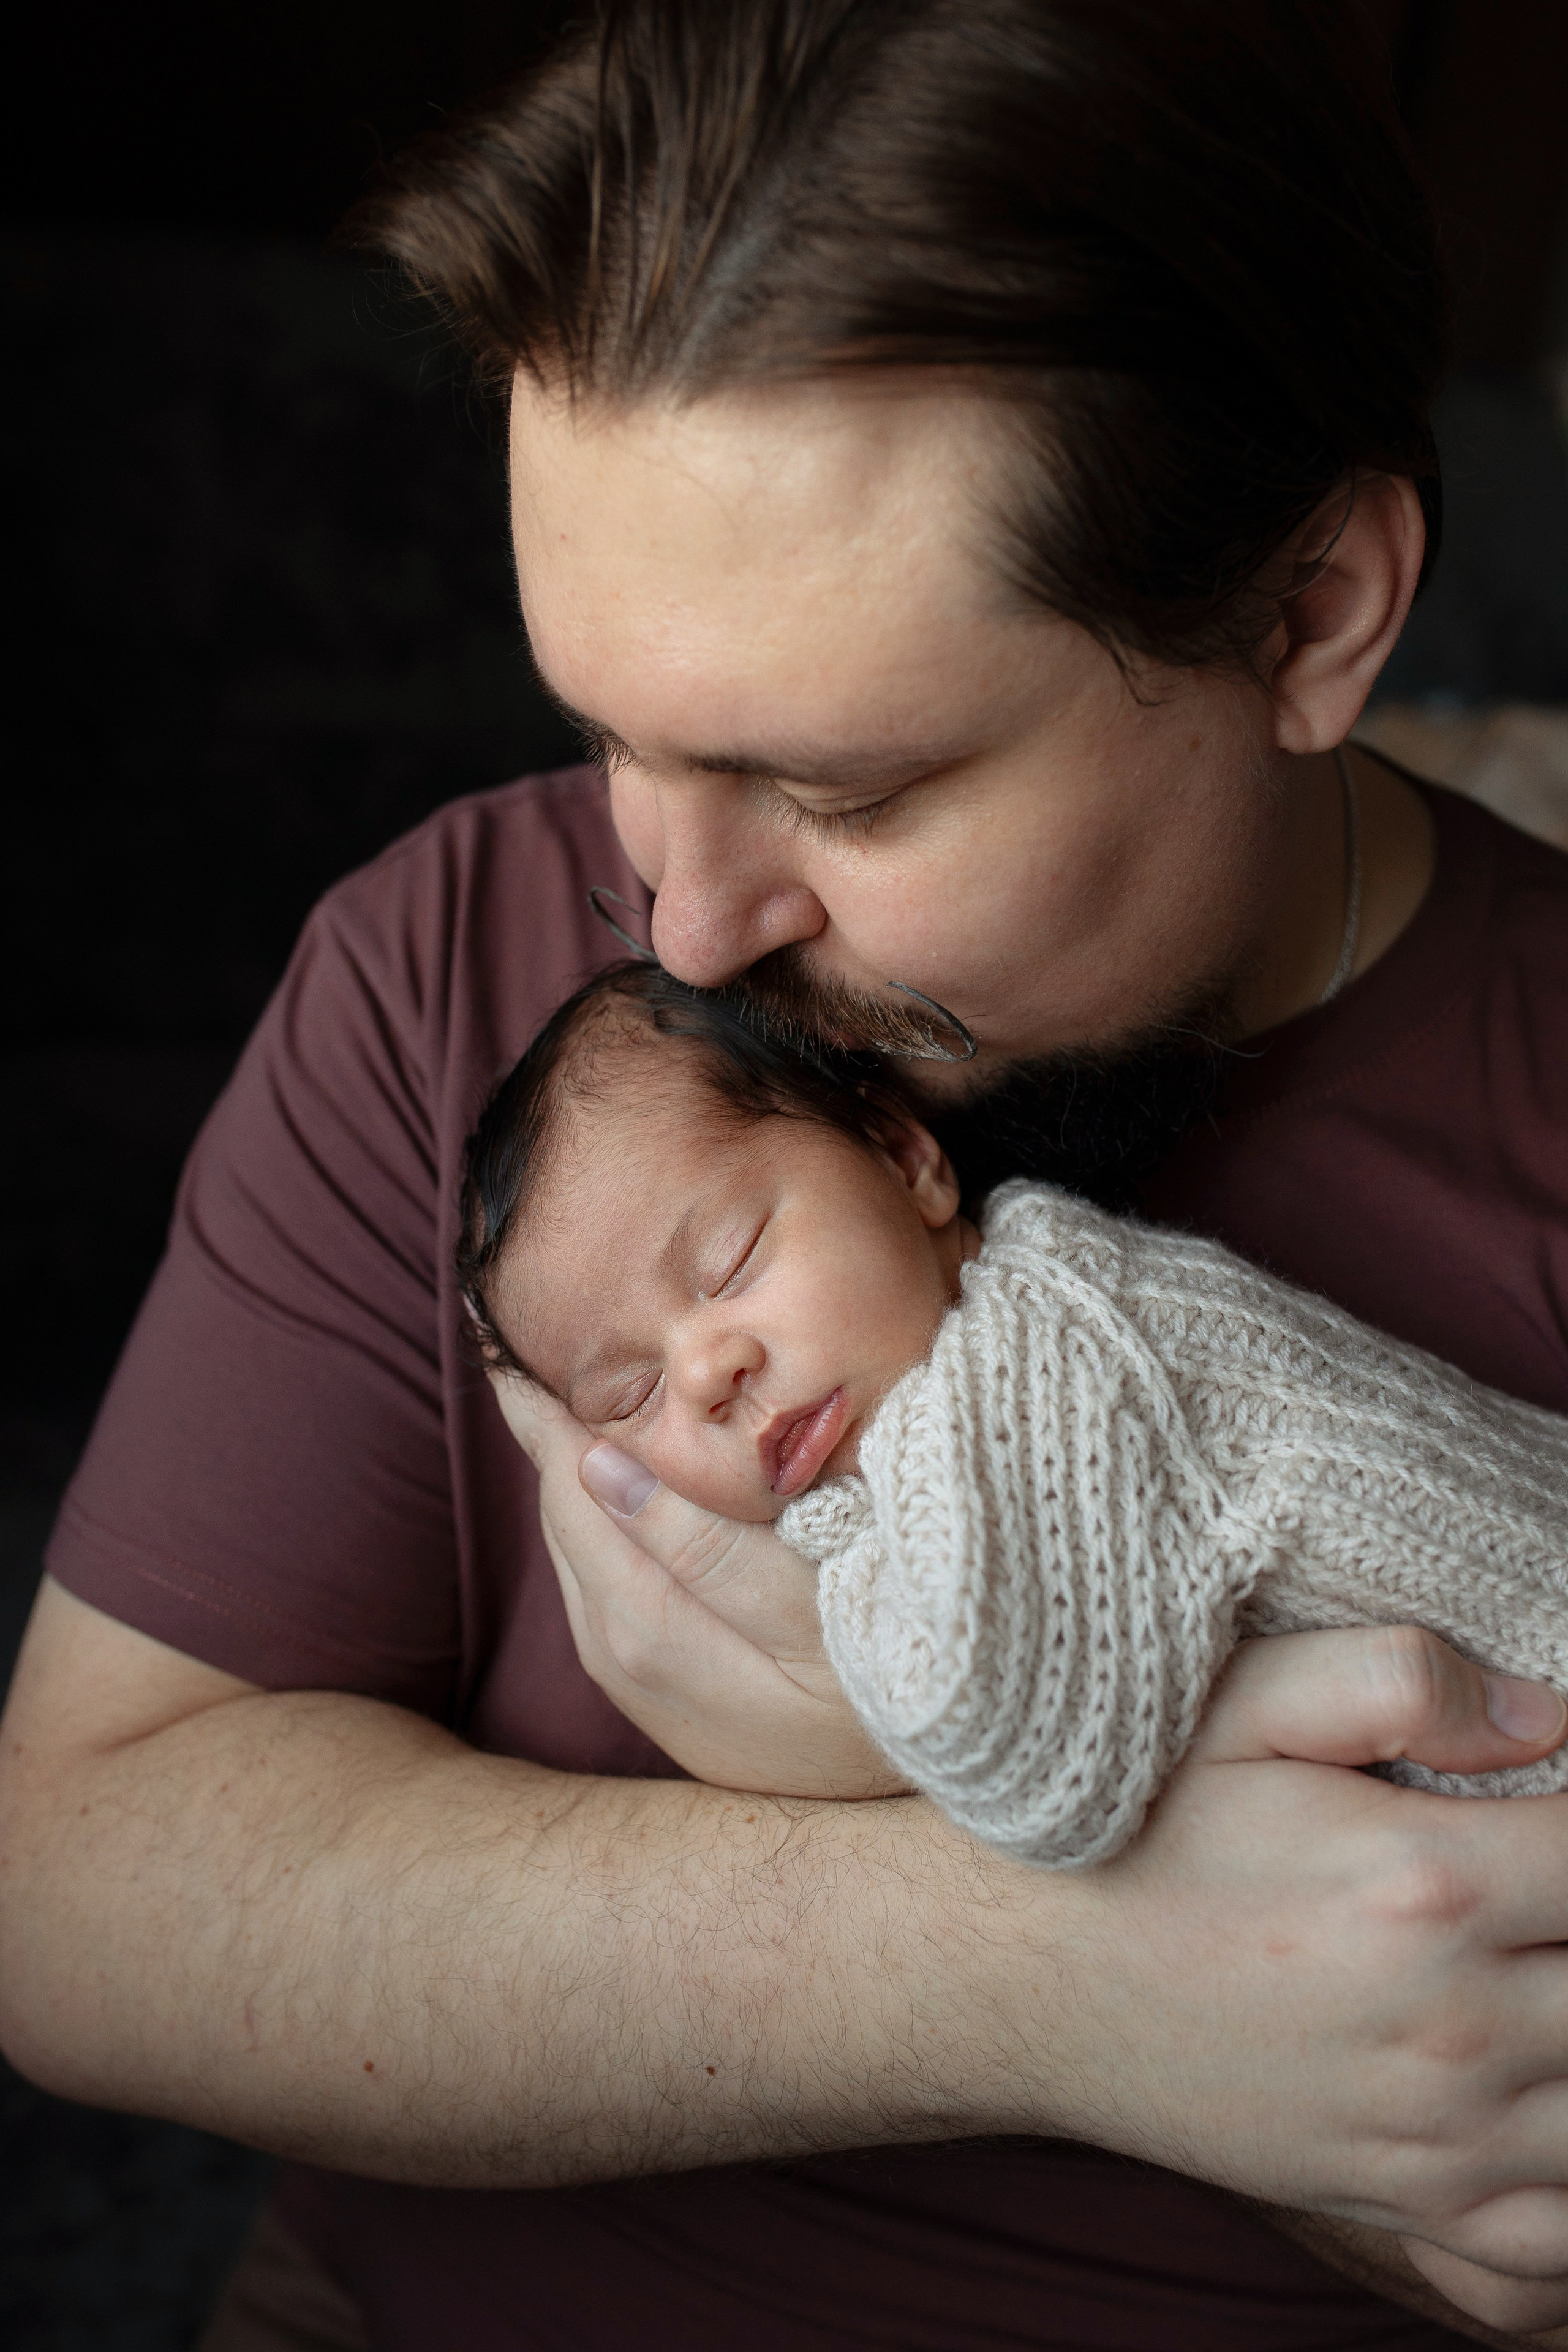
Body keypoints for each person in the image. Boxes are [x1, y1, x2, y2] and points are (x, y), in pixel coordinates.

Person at [4, 2, 1568, 2345]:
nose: (678, 920)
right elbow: (77, 1898)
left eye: (844, 792)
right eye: (615, 739)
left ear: (1312, 616)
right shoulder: (455, 955)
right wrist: (1029, 1953)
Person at [458, 953, 1568, 1866]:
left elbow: (1025, 1764)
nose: (708, 1372)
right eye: (632, 1394)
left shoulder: (1028, 1361)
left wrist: (830, 1581)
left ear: (908, 1161)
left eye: (731, 1259)